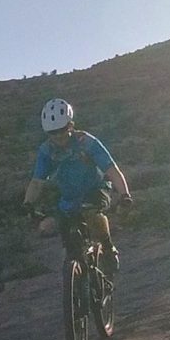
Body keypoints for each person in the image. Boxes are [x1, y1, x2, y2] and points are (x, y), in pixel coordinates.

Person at [22, 97, 132, 270]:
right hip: (68, 196)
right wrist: (28, 204)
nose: (58, 136)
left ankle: (108, 247)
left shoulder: (87, 142)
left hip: (95, 189)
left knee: (91, 212)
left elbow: (112, 170)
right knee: (53, 230)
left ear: (71, 125)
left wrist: (124, 194)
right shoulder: (46, 151)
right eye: (53, 132)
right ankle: (76, 278)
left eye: (62, 130)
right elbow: (37, 182)